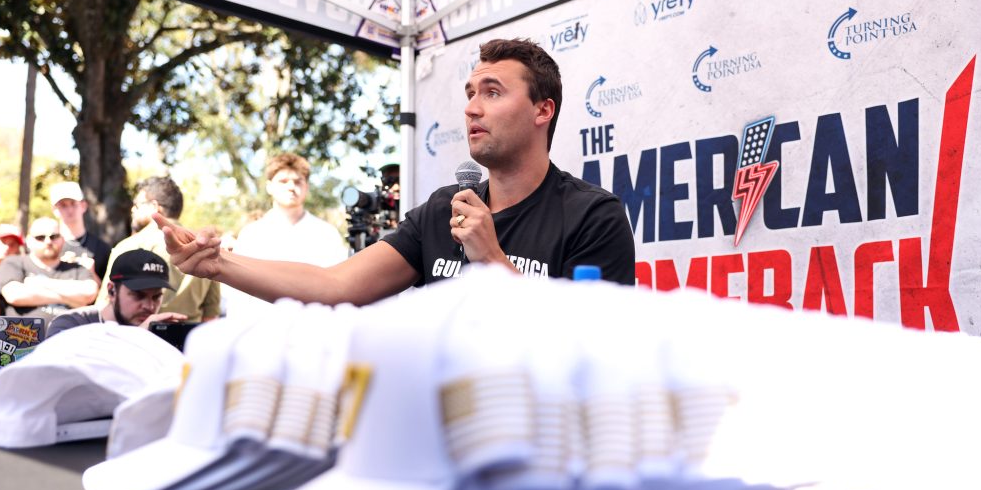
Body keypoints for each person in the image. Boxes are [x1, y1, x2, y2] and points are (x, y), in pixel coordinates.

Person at [155, 38, 635, 307]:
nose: (471, 108)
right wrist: (219, 265)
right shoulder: (443, 209)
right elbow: (335, 286)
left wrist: (491, 259)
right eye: (470, 93)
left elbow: (591, 348)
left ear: (542, 110)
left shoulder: (592, 216)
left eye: (492, 92)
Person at [224, 153, 347, 317]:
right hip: (262, 326)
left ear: (306, 186)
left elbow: (338, 286)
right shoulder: (251, 234)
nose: (291, 187)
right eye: (283, 181)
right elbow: (237, 295)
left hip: (314, 324)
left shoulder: (327, 234)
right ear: (269, 186)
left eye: (298, 181)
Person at [98, 176, 220, 322]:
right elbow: (210, 315)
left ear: (155, 207)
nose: (133, 209)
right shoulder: (205, 248)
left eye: (137, 205)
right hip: (189, 334)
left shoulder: (129, 246)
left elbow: (105, 305)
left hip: (139, 333)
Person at [47, 249, 186, 337]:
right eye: (139, 295)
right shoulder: (71, 324)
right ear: (111, 291)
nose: (149, 306)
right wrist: (138, 338)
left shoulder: (159, 333)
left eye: (156, 297)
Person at [0, 217, 99, 321]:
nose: (48, 241)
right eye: (40, 237)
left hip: (71, 331)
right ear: (29, 240)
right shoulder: (13, 263)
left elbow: (89, 293)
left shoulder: (77, 268)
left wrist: (41, 283)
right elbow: (14, 295)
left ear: (63, 239)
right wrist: (72, 300)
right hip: (23, 331)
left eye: (54, 236)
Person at [50, 181, 112, 280]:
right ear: (54, 209)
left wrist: (90, 273)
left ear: (83, 206)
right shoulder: (47, 246)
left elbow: (108, 287)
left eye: (73, 204)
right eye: (63, 205)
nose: (70, 210)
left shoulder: (101, 248)